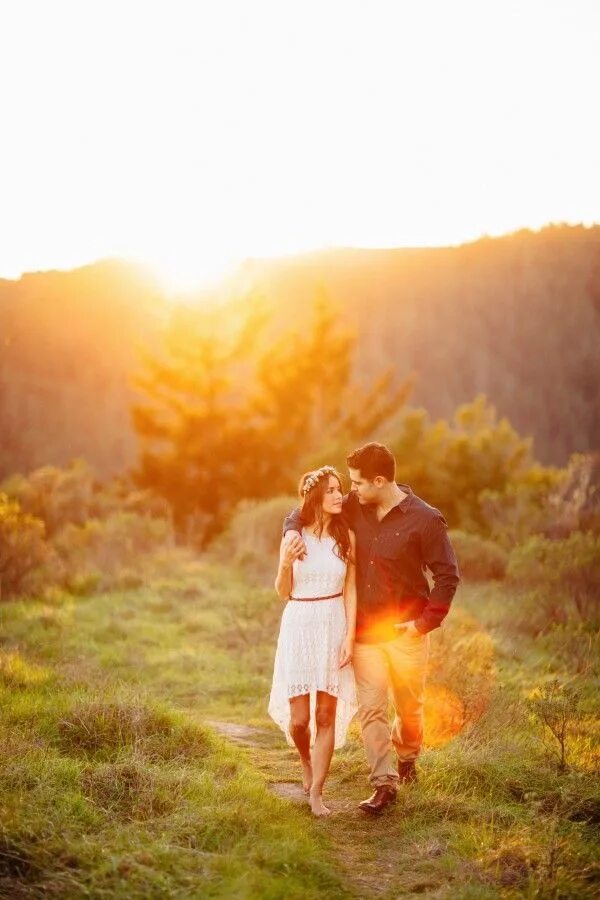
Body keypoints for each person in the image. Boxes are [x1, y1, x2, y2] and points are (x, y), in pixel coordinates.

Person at [283, 442, 460, 814]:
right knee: (372, 711)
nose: (352, 490)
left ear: (380, 481)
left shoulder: (425, 520)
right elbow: (306, 509)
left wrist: (424, 623)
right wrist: (290, 532)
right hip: (364, 633)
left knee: (410, 709)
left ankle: (408, 759)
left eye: (359, 483)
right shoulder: (353, 506)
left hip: (407, 633)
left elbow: (447, 577)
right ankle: (384, 784)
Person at [268, 465, 358, 817]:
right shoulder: (294, 536)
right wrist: (285, 565)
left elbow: (350, 589)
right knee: (300, 720)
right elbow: (282, 592)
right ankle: (305, 761)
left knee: (325, 714)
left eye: (340, 489)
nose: (340, 495)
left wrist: (349, 636)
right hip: (299, 624)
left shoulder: (345, 535)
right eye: (333, 490)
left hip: (333, 623)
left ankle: (318, 791)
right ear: (316, 497)